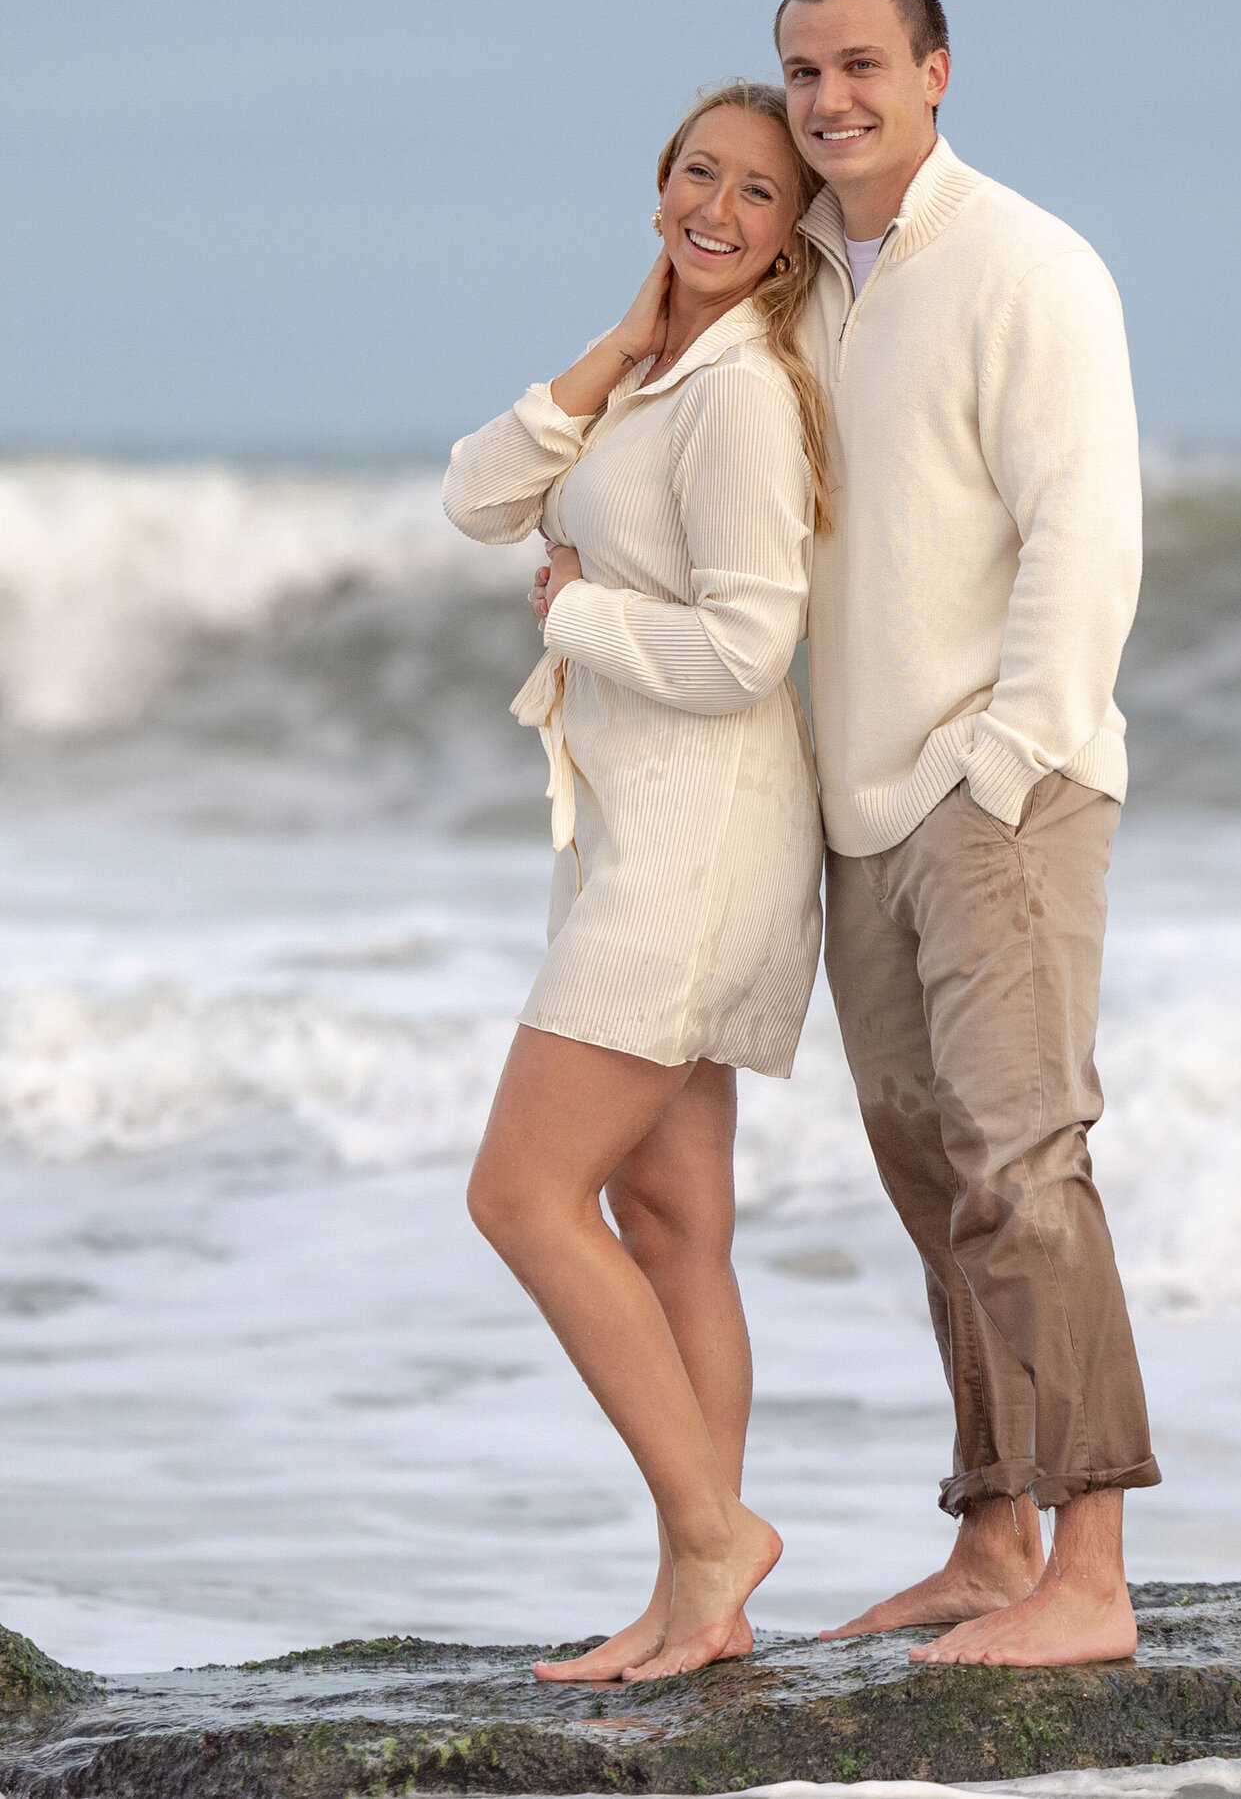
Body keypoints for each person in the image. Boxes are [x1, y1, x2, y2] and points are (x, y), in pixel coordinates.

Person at [775, 0, 1158, 1668]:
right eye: (802, 72)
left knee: (1022, 1164)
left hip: (998, 790)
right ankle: (995, 1536)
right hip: (855, 808)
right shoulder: (807, 289)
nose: (830, 97)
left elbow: (1085, 530)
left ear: (937, 71)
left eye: (861, 63)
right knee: (933, 1179)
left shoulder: (1029, 261)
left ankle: (1094, 1571)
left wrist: (1005, 762)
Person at [442, 82, 827, 1681]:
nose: (719, 208)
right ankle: (696, 1600)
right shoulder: (662, 371)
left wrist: (578, 614)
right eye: (696, 174)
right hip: (641, 832)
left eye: (757, 190)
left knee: (521, 1193)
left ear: (798, 227)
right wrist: (624, 331)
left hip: (695, 846)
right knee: (669, 1219)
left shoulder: (742, 397)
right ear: (657, 185)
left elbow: (752, 643)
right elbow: (476, 493)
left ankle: (713, 1531)